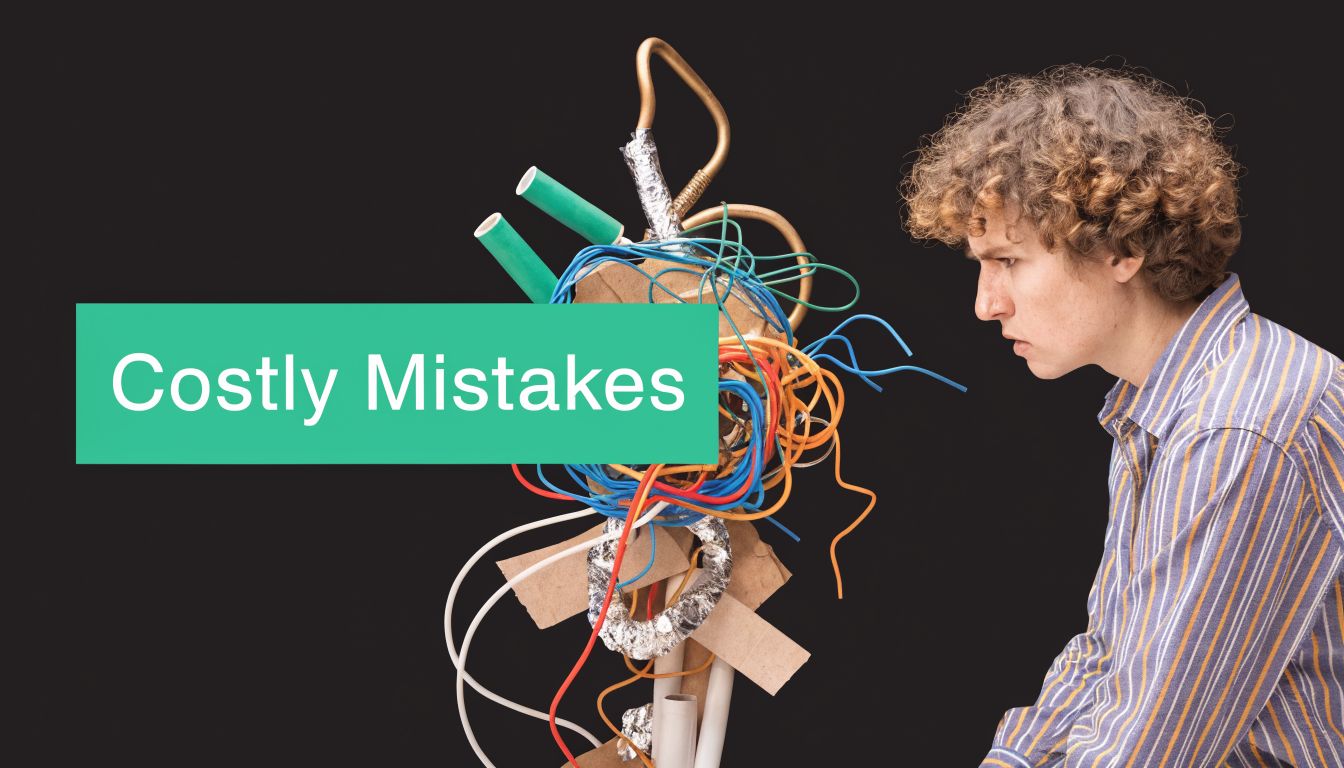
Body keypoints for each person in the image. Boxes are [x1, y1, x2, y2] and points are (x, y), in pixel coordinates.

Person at [900, 63, 1344, 767]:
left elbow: (1151, 748)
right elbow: (1109, 661)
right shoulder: (1164, 405)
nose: (986, 304)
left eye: (1008, 261)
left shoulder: (1237, 430)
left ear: (1122, 249)